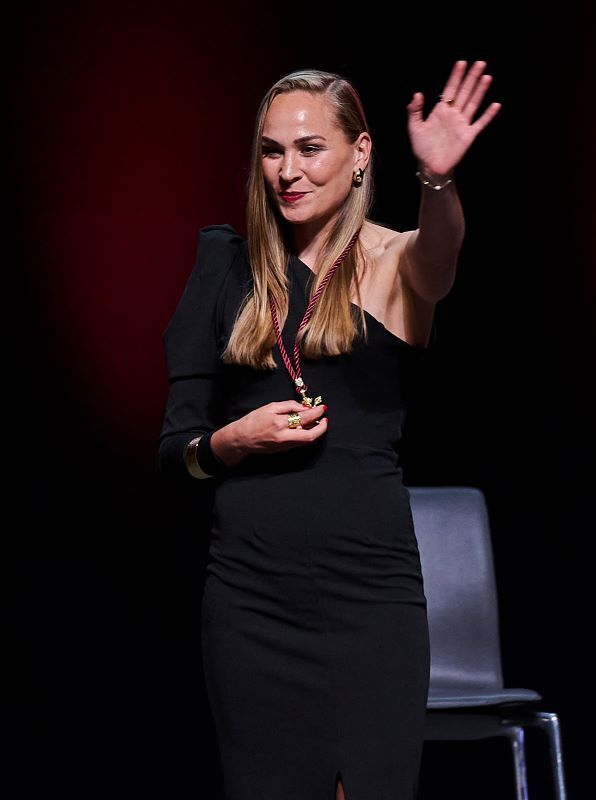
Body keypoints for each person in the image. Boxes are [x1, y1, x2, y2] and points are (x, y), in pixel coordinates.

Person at [158, 61, 500, 800]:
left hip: (368, 595)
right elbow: (175, 452)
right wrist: (229, 442)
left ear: (360, 153)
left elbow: (437, 264)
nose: (288, 171)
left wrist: (437, 181)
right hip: (251, 599)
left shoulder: (385, 258)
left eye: (310, 148)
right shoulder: (225, 263)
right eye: (273, 151)